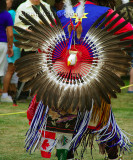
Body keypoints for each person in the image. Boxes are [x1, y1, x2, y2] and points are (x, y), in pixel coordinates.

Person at [14, 0, 133, 159]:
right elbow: (130, 33)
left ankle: (66, 156)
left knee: (64, 120)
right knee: (102, 122)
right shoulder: (106, 13)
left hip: (61, 79)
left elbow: (43, 45)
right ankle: (113, 156)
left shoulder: (61, 14)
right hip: (93, 78)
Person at [14, 0, 52, 100]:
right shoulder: (23, 7)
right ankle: (22, 94)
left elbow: (52, 23)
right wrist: (26, 30)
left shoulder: (46, 6)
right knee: (26, 68)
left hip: (44, 44)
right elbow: (17, 25)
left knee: (42, 69)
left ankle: (38, 95)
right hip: (28, 43)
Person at [1, 0, 27, 103]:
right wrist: (10, 46)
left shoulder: (12, 13)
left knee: (11, 70)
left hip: (15, 44)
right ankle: (4, 94)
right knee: (10, 70)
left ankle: (9, 92)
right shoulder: (12, 13)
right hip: (13, 45)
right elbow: (11, 32)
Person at [0, 0, 13, 102]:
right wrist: (10, 47)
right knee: (1, 70)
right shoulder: (6, 15)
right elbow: (10, 34)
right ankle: (4, 95)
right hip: (2, 44)